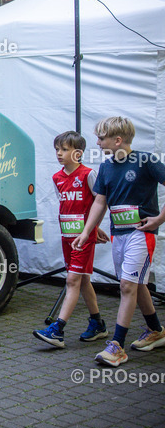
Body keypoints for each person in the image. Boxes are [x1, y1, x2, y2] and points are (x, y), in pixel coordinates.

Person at [73, 117, 165, 367]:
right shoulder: (106, 167)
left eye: (101, 138)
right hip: (118, 234)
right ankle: (156, 330)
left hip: (141, 234)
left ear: (117, 140)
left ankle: (117, 346)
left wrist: (158, 219)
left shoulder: (147, 160)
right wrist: (85, 232)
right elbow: (100, 202)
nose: (98, 142)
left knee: (126, 286)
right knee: (136, 284)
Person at [33, 131, 109, 348]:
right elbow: (66, 207)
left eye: (64, 149)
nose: (59, 153)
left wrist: (92, 229)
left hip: (83, 239)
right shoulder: (57, 178)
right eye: (57, 149)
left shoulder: (88, 175)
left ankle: (57, 329)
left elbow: (100, 202)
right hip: (67, 237)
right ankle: (97, 324)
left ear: (78, 153)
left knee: (72, 280)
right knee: (83, 279)